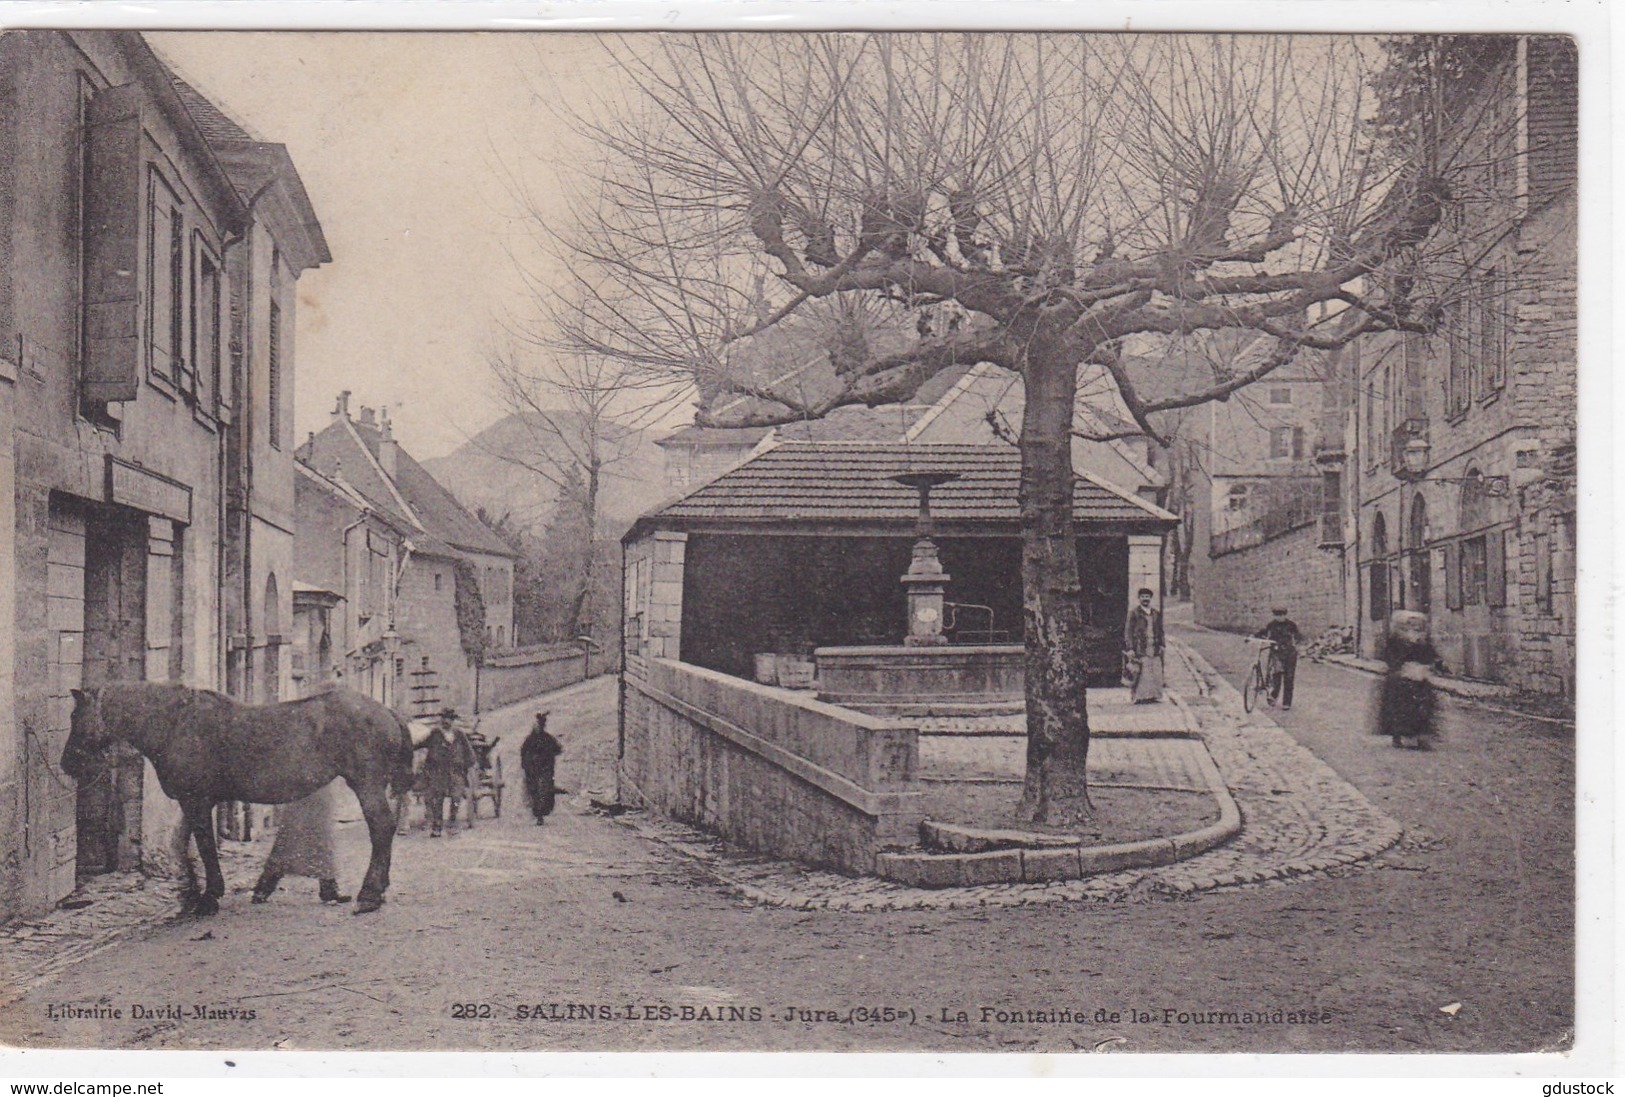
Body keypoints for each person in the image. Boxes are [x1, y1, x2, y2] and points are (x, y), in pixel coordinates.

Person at [252, 781, 351, 905]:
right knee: (289, 837)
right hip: (300, 787)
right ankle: (263, 888)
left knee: (323, 837)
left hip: (321, 788)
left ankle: (328, 888)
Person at [1377, 610, 1445, 750]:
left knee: (1424, 708)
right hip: (1401, 680)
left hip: (1419, 678)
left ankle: (1421, 738)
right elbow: (1390, 657)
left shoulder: (1422, 640)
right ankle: (1398, 736)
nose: (1414, 628)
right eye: (1410, 624)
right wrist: (1400, 668)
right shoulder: (1396, 640)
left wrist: (1435, 664)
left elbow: (1430, 654)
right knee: (1401, 709)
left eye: (1417, 625)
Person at [420, 708, 474, 837]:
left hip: (456, 771)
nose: (446, 721)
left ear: (453, 720)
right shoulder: (435, 733)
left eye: (449, 718)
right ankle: (437, 826)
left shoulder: (459, 734)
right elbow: (425, 746)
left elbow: (469, 752)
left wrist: (466, 766)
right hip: (439, 771)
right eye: (444, 718)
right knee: (437, 799)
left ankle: (452, 823)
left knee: (456, 798)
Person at [1253, 607, 1304, 710]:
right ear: (1274, 616)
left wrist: (1297, 643)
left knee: (1289, 678)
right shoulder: (1271, 625)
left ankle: (1287, 703)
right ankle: (1273, 696)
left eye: (1282, 615)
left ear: (1285, 615)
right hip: (1276, 653)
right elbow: (1263, 632)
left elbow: (1298, 636)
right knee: (1276, 675)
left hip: (1289, 653)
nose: (1280, 617)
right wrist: (1254, 636)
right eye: (1277, 615)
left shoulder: (1291, 625)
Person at [519, 712, 564, 825]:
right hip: (537, 770)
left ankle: (539, 814)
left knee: (540, 791)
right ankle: (539, 814)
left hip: (540, 770)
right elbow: (558, 749)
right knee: (539, 791)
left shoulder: (535, 739)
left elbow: (557, 749)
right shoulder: (544, 739)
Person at [1122, 587, 1164, 704]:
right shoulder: (1134, 613)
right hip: (1141, 646)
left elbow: (1160, 630)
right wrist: (1130, 647)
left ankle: (1153, 695)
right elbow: (1128, 631)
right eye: (1143, 597)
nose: (1145, 599)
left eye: (1147, 597)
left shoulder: (1155, 614)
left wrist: (1162, 644)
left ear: (1150, 598)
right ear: (1139, 598)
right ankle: (1140, 697)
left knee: (1154, 671)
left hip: (1154, 646)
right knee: (1142, 672)